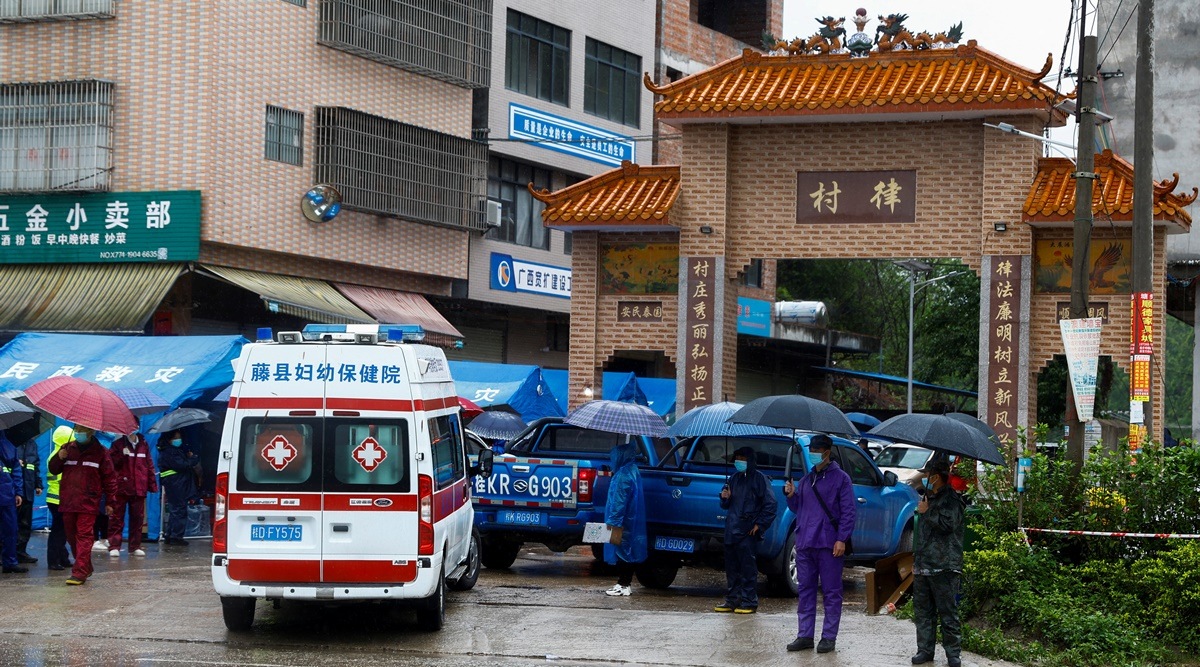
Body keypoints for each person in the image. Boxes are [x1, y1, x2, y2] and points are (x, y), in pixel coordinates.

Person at [784, 434, 855, 654]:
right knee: (805, 590)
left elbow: (849, 512)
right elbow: (799, 508)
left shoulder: (841, 479)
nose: (813, 454)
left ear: (827, 452)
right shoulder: (806, 480)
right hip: (805, 543)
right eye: (811, 450)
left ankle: (828, 637)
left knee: (832, 592)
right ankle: (805, 635)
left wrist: (841, 538)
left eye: (817, 451)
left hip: (829, 544)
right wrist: (791, 495)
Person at [911, 457, 967, 667]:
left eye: (928, 475)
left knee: (947, 612)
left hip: (944, 565)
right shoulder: (929, 497)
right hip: (924, 564)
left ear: (937, 476)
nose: (925, 478)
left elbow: (948, 525)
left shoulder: (952, 499)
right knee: (923, 612)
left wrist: (928, 512)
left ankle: (953, 653)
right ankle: (925, 650)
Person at [47, 424, 117, 585]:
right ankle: (86, 566)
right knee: (71, 537)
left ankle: (78, 573)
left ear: (91, 432)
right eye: (77, 430)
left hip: (88, 501)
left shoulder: (101, 453)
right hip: (68, 500)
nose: (79, 433)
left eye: (82, 431)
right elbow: (54, 469)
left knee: (84, 535)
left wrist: (110, 502)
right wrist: (59, 457)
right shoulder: (67, 448)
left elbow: (110, 479)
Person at [714, 445, 777, 614]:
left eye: (743, 459)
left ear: (750, 460)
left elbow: (770, 505)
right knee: (732, 568)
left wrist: (759, 525)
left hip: (748, 531)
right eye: (737, 459)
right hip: (732, 529)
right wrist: (724, 498)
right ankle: (732, 599)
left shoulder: (760, 479)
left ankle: (749, 601)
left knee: (748, 568)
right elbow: (725, 503)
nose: (739, 462)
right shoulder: (733, 479)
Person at [602, 440, 647, 596]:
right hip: (629, 519)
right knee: (626, 550)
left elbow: (619, 501)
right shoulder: (631, 470)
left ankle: (623, 584)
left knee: (622, 550)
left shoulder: (623, 476)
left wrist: (613, 522)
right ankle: (624, 583)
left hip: (621, 520)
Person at [108, 431, 158, 557]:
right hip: (122, 487)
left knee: (137, 518)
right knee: (117, 517)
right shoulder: (118, 445)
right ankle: (114, 546)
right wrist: (121, 455)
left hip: (138, 487)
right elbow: (110, 464)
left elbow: (149, 465)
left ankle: (135, 546)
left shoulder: (143, 444)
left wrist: (151, 484)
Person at [158, 430, 199, 547]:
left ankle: (170, 534)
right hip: (176, 483)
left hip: (175, 483)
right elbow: (181, 465)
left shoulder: (170, 450)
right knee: (179, 510)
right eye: (177, 437)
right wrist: (193, 459)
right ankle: (176, 536)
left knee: (175, 510)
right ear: (170, 439)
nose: (179, 440)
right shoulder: (170, 451)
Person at [43, 425, 74, 571]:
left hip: (56, 499)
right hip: (58, 499)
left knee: (63, 531)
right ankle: (53, 561)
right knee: (58, 532)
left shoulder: (56, 454)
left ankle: (63, 558)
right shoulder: (59, 457)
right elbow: (61, 479)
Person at [0, 430, 28, 574]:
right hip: (6, 494)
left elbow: (16, 469)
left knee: (10, 530)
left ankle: (10, 562)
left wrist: (18, 492)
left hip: (7, 495)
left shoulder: (8, 445)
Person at [14, 430, 40, 564]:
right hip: (13, 491)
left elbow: (35, 465)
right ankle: (5, 553)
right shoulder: (10, 442)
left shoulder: (32, 444)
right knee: (9, 523)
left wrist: (38, 484)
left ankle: (20, 552)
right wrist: (14, 462)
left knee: (25, 523)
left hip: (28, 489)